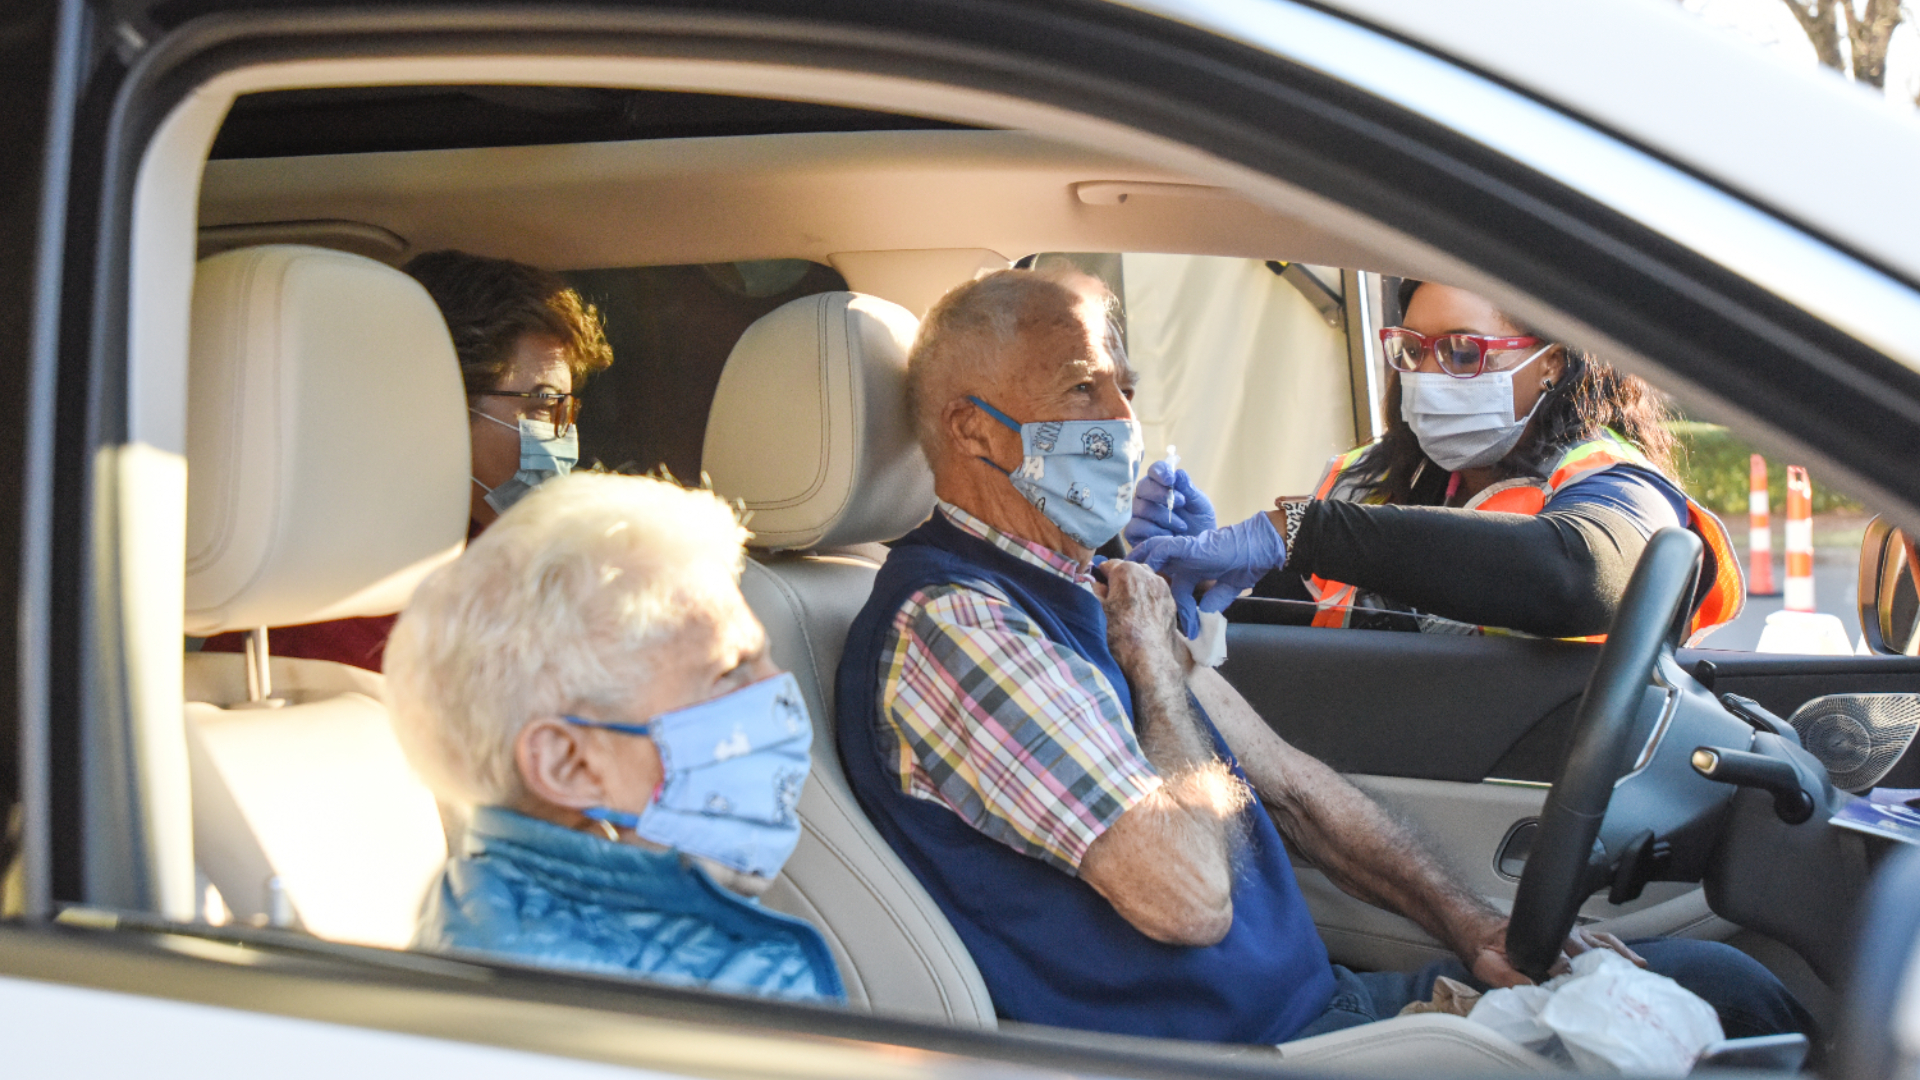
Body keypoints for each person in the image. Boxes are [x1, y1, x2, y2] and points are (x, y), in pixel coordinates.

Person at [835, 266, 1808, 1045]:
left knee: (1731, 989)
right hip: (1232, 1053)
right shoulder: (960, 626)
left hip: (1312, 1009)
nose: (1122, 422)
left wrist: (1474, 928)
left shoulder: (1092, 591)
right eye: (1080, 389)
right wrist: (1162, 670)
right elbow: (1187, 899)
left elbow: (1293, 785)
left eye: (1124, 387)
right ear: (972, 430)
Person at [384, 472, 842, 1003]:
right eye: (730, 672)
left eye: (765, 659)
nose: (778, 694)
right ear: (570, 765)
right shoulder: (563, 1018)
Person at [1126, 280, 1743, 642]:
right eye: (1413, 350)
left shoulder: (1613, 480)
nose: (1427, 376)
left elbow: (1578, 577)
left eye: (1462, 351)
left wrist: (1299, 530)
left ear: (1553, 363)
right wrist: (1205, 572)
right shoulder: (1364, 480)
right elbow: (1303, 630)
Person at [202, 250, 615, 671]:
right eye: (545, 403)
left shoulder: (513, 564)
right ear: (440, 401)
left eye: (567, 408)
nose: (564, 437)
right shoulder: (311, 621)